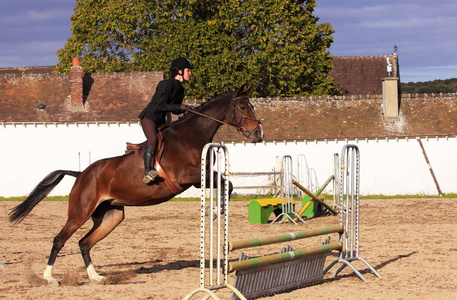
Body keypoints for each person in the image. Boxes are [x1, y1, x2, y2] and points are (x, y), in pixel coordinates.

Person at [138, 57, 193, 183]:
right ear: (180, 71)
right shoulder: (165, 84)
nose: (189, 73)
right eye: (188, 70)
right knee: (152, 140)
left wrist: (186, 109)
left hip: (161, 120)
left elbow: (175, 109)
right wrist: (180, 107)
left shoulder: (180, 89)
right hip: (150, 118)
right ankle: (147, 171)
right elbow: (161, 106)